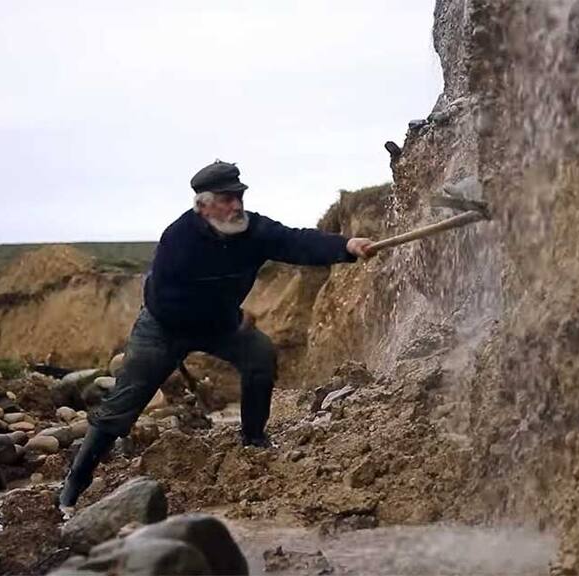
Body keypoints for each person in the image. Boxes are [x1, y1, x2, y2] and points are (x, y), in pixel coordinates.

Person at [59, 160, 375, 507]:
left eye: (238, 196)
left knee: (259, 356)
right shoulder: (178, 240)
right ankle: (74, 486)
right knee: (122, 405)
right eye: (226, 199)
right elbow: (169, 302)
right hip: (164, 326)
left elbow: (296, 242)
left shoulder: (253, 230)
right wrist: (231, 316)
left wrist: (345, 247)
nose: (236, 205)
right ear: (203, 205)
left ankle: (254, 441)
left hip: (221, 324)